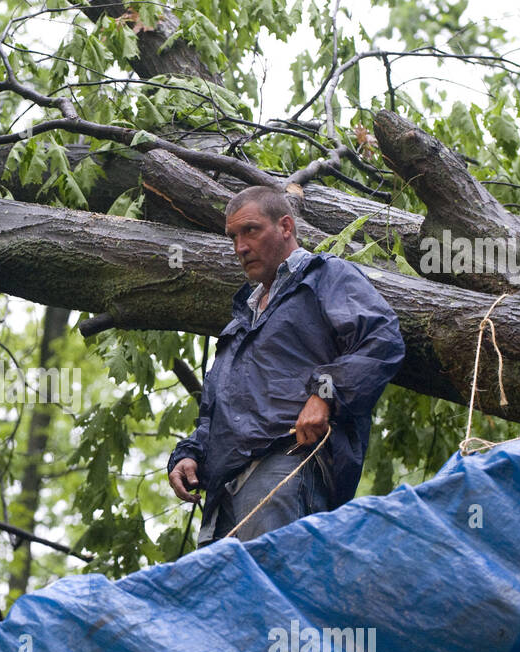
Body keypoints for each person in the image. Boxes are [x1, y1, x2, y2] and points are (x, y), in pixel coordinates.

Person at [167, 186, 405, 547]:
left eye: (250, 230)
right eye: (233, 237)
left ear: (286, 227)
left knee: (275, 594)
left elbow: (382, 338)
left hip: (286, 467)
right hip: (221, 497)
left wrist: (325, 394)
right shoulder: (240, 322)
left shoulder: (325, 276)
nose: (240, 247)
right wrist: (190, 453)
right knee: (228, 602)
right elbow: (219, 413)